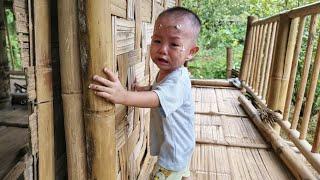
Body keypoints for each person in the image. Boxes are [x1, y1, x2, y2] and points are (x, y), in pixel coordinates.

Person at [89, 6, 201, 180]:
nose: (163, 49)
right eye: (157, 41)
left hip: (174, 154)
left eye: (174, 44)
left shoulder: (178, 80)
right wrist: (144, 89)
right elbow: (158, 90)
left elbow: (157, 98)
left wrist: (122, 96)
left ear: (191, 52)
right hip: (180, 147)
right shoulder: (169, 72)